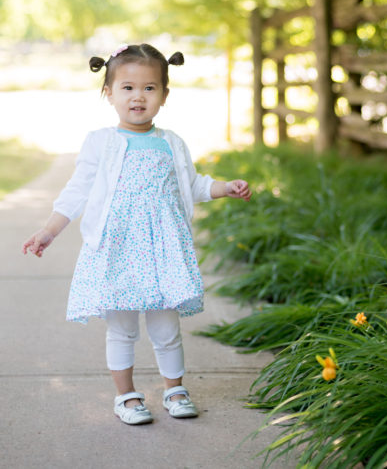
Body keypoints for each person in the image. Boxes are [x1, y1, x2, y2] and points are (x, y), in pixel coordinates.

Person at [22, 44, 252, 425]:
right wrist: (49, 230)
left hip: (161, 252)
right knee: (123, 328)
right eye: (127, 88)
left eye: (149, 88)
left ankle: (175, 389)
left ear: (164, 95)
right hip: (118, 249)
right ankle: (126, 396)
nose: (138, 96)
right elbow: (77, 190)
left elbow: (191, 185)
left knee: (166, 327)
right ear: (108, 93)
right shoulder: (101, 142)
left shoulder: (171, 142)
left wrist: (225, 187)